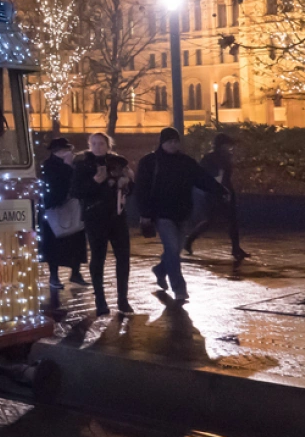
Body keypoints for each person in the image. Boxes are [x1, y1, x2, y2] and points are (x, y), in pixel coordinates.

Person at [135, 127, 228, 304]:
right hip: (162, 214)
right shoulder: (150, 162)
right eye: (169, 141)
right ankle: (180, 289)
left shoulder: (186, 162)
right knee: (172, 249)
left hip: (182, 212)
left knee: (174, 250)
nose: (173, 144)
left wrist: (220, 190)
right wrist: (145, 213)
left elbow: (202, 178)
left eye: (175, 141)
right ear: (162, 142)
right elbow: (142, 189)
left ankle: (161, 270)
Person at [72, 132, 134, 316]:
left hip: (117, 217)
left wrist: (126, 183)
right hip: (95, 218)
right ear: (89, 145)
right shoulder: (82, 165)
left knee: (123, 258)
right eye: (94, 143)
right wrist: (95, 182)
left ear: (108, 145)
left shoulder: (118, 162)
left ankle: (123, 300)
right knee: (98, 259)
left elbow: (130, 188)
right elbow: (76, 191)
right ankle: (100, 300)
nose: (98, 146)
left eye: (101, 143)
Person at [39, 139, 88, 306]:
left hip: (72, 208)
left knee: (75, 240)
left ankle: (76, 272)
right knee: (55, 245)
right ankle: (54, 276)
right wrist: (67, 167)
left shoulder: (75, 163)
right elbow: (53, 185)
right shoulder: (49, 165)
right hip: (55, 209)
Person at [185, 133, 248, 261]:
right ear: (220, 146)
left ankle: (236, 248)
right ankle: (189, 241)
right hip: (213, 193)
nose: (229, 148)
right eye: (227, 145)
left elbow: (226, 177)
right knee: (211, 220)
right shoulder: (210, 158)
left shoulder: (225, 157)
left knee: (232, 220)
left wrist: (228, 191)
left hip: (225, 192)